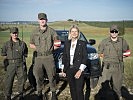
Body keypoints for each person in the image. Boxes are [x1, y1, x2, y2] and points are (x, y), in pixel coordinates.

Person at [30, 13, 60, 100]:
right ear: (38, 20)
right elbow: (31, 44)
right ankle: (39, 93)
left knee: (52, 76)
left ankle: (53, 93)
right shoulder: (34, 32)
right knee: (38, 76)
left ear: (46, 20)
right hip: (38, 58)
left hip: (49, 57)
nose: (42, 21)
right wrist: (39, 49)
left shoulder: (52, 31)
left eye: (44, 19)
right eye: (40, 19)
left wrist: (50, 50)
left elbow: (58, 44)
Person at [98, 25, 130, 100]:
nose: (114, 33)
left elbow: (128, 52)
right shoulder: (104, 41)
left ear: (118, 32)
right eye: (112, 31)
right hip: (106, 67)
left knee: (117, 87)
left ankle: (117, 97)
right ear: (110, 32)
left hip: (118, 67)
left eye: (116, 31)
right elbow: (99, 53)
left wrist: (121, 57)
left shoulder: (122, 41)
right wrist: (106, 58)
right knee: (104, 87)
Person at [1, 27, 28, 100]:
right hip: (11, 65)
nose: (15, 34)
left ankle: (21, 94)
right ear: (10, 34)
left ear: (18, 33)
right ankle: (8, 96)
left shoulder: (23, 44)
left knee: (22, 80)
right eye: (13, 33)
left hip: (20, 64)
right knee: (9, 81)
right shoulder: (7, 44)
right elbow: (3, 54)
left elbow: (25, 53)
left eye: (16, 33)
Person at [61, 25, 88, 100]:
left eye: (76, 31)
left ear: (78, 33)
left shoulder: (82, 43)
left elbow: (85, 58)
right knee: (72, 90)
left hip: (78, 69)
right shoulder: (67, 43)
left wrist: (80, 70)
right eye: (72, 31)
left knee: (79, 90)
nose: (74, 33)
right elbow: (65, 57)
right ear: (70, 33)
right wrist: (63, 69)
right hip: (69, 69)